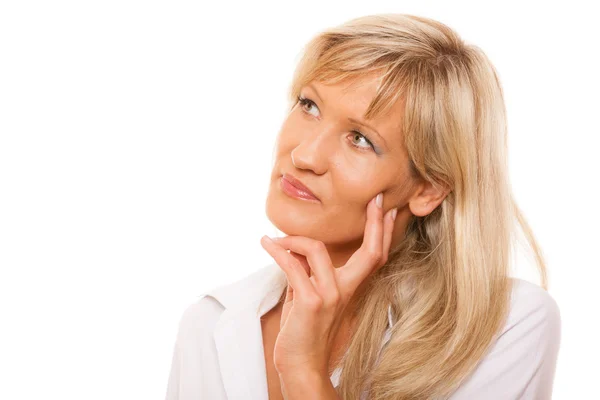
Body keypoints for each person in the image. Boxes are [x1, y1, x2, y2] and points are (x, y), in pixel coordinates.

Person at [165, 13, 561, 400]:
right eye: (309, 106)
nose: (305, 155)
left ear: (427, 190)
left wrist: (303, 371)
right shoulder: (210, 323)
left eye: (359, 139)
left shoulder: (504, 327)